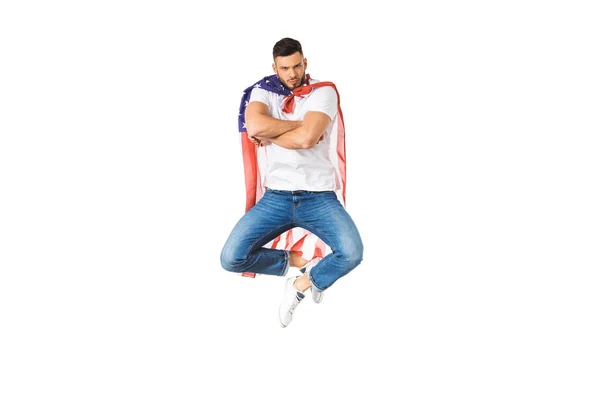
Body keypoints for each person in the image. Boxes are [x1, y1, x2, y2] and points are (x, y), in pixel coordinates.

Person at [220, 37, 363, 327]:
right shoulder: (262, 92)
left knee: (352, 253)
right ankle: (298, 262)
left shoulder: (323, 92)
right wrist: (300, 124)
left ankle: (303, 284)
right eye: (285, 68)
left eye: (297, 66)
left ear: (305, 63)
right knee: (231, 257)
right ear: (275, 67)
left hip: (319, 196)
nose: (292, 73)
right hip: (276, 197)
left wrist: (273, 133)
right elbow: (257, 125)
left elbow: (307, 139)